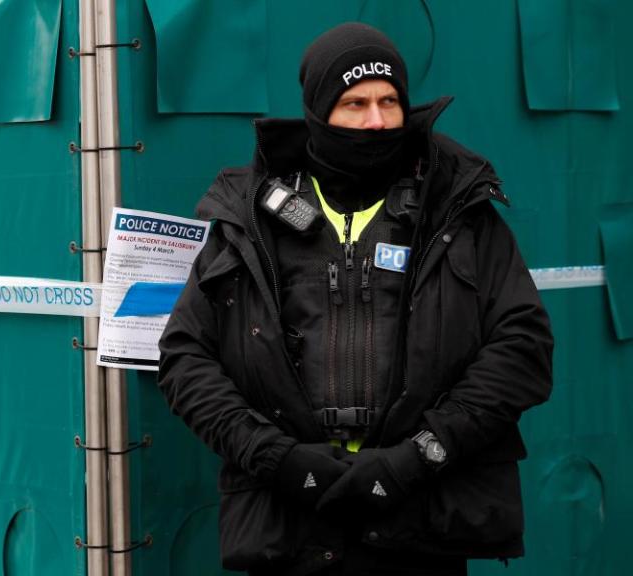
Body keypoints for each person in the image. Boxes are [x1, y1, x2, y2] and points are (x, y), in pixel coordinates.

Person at [157, 23, 553, 576]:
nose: (376, 121)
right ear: (319, 112)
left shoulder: (460, 211)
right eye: (355, 103)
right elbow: (183, 358)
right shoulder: (248, 219)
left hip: (424, 522)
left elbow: (523, 347)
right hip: (290, 526)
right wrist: (277, 457)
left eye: (389, 101)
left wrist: (420, 455)